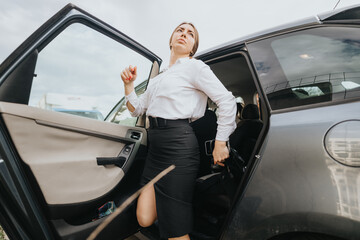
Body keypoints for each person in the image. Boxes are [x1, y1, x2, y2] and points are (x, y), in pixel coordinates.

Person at [120, 22, 236, 240]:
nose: (184, 34)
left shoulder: (195, 67)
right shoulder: (158, 79)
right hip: (156, 150)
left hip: (179, 147)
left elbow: (227, 102)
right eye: (180, 31)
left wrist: (220, 142)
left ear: (193, 46)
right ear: (171, 39)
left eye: (190, 34)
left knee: (175, 228)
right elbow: (137, 109)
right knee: (144, 218)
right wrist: (129, 85)